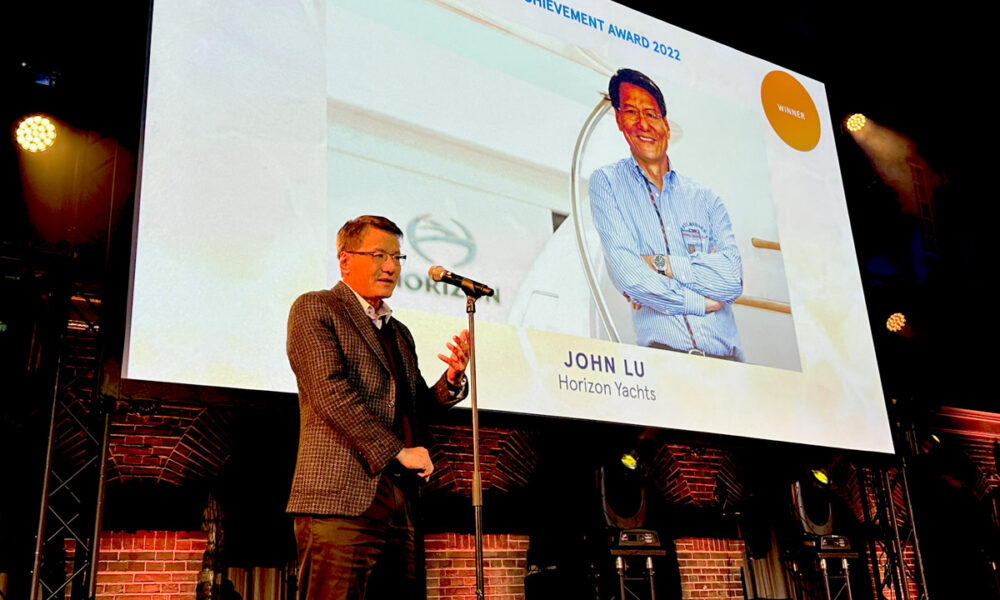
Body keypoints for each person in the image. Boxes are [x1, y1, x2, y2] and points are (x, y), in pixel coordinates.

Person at [286, 215, 470, 599]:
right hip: (339, 500)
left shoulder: (399, 332)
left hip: (398, 503)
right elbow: (330, 393)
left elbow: (416, 406)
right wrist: (399, 452)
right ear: (345, 260)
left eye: (398, 257)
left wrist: (451, 380)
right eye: (379, 255)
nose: (391, 266)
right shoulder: (316, 309)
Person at [589, 68, 744, 361]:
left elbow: (732, 280)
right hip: (665, 364)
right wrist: (700, 301)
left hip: (730, 362)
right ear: (620, 119)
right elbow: (631, 278)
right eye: (632, 112)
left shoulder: (705, 199)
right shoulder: (607, 183)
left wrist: (659, 263)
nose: (644, 124)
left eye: (651, 114)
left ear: (666, 125)